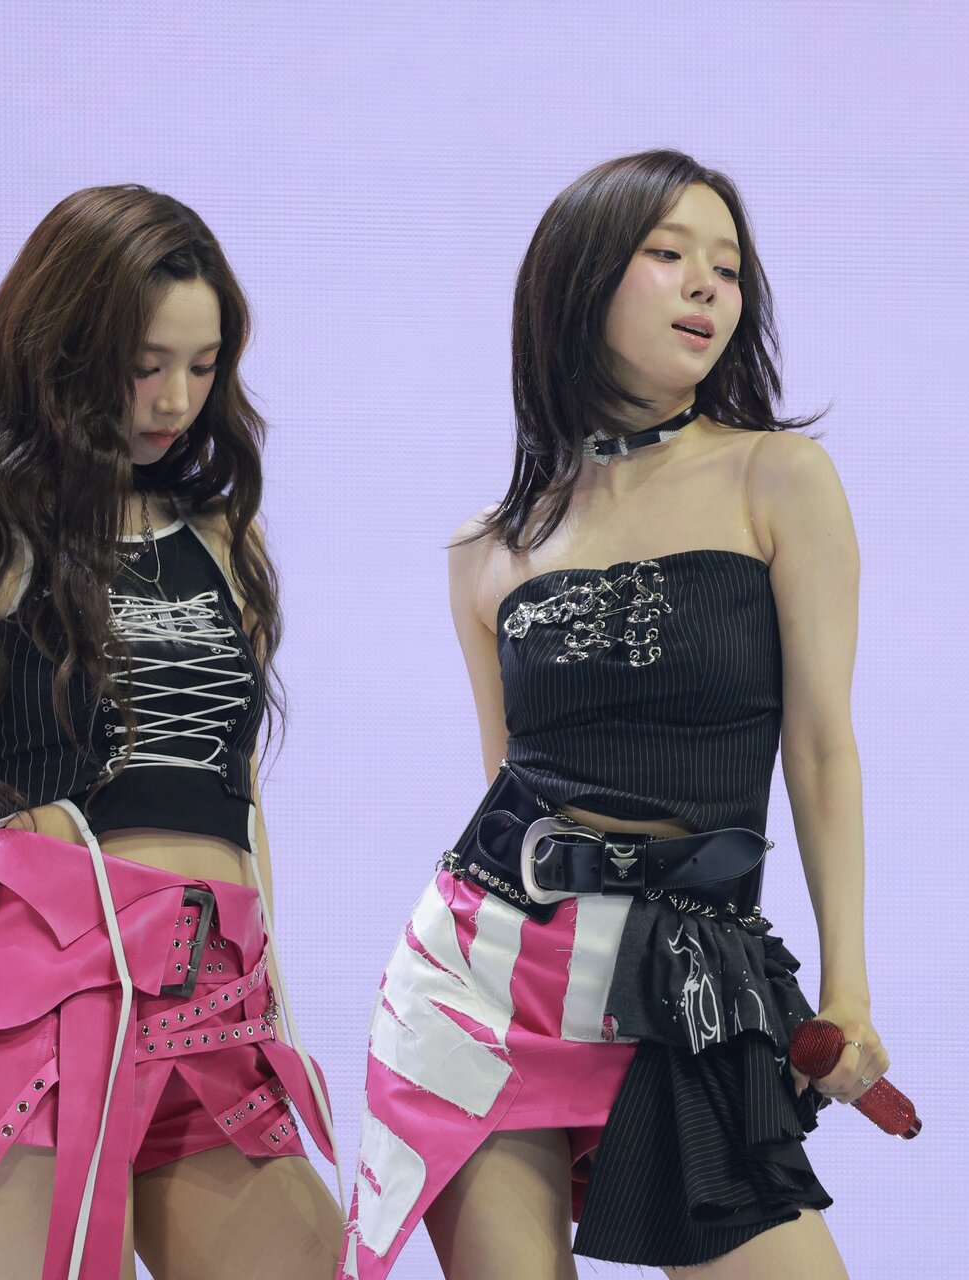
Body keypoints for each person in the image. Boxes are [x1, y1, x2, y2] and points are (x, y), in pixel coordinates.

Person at [346, 150, 888, 1279]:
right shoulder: (487, 547)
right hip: (484, 981)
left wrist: (848, 984)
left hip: (683, 982)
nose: (706, 286)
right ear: (582, 280)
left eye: (727, 267)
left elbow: (821, 748)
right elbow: (505, 778)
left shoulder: (778, 479)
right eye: (668, 253)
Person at [0, 185, 343, 1280]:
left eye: (202, 365)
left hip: (214, 1003)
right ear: (66, 350)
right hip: (31, 1004)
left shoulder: (225, 538)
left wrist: (270, 999)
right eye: (145, 364)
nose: (176, 399)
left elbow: (243, 795)